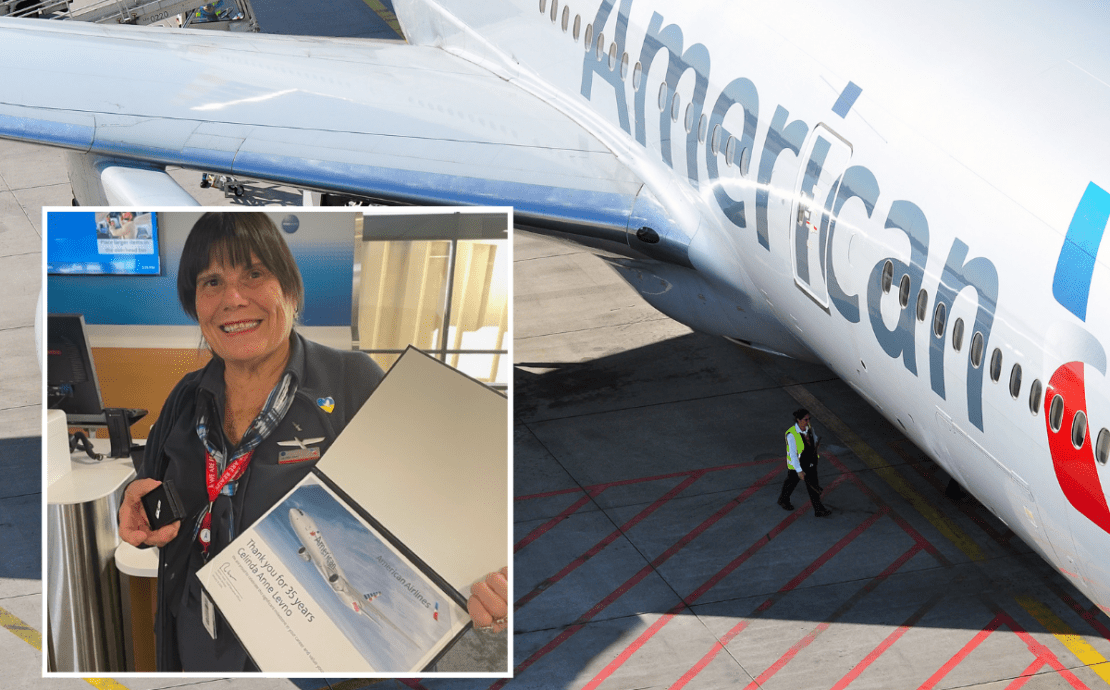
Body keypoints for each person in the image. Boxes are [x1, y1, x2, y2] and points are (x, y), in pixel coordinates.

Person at [116, 212, 507, 670]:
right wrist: (134, 509)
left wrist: (482, 582)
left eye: (254, 274)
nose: (233, 299)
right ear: (194, 303)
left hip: (313, 658)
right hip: (195, 642)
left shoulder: (351, 382)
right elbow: (148, 497)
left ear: (289, 288)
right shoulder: (186, 398)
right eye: (212, 282)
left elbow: (441, 510)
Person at [778, 408, 832, 517]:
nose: (808, 422)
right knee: (791, 483)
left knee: (813, 486)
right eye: (806, 419)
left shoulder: (809, 428)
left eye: (809, 419)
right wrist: (799, 471)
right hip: (798, 465)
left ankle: (818, 509)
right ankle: (783, 500)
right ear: (798, 420)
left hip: (810, 463)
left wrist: (816, 443)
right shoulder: (791, 435)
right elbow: (793, 455)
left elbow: (814, 437)